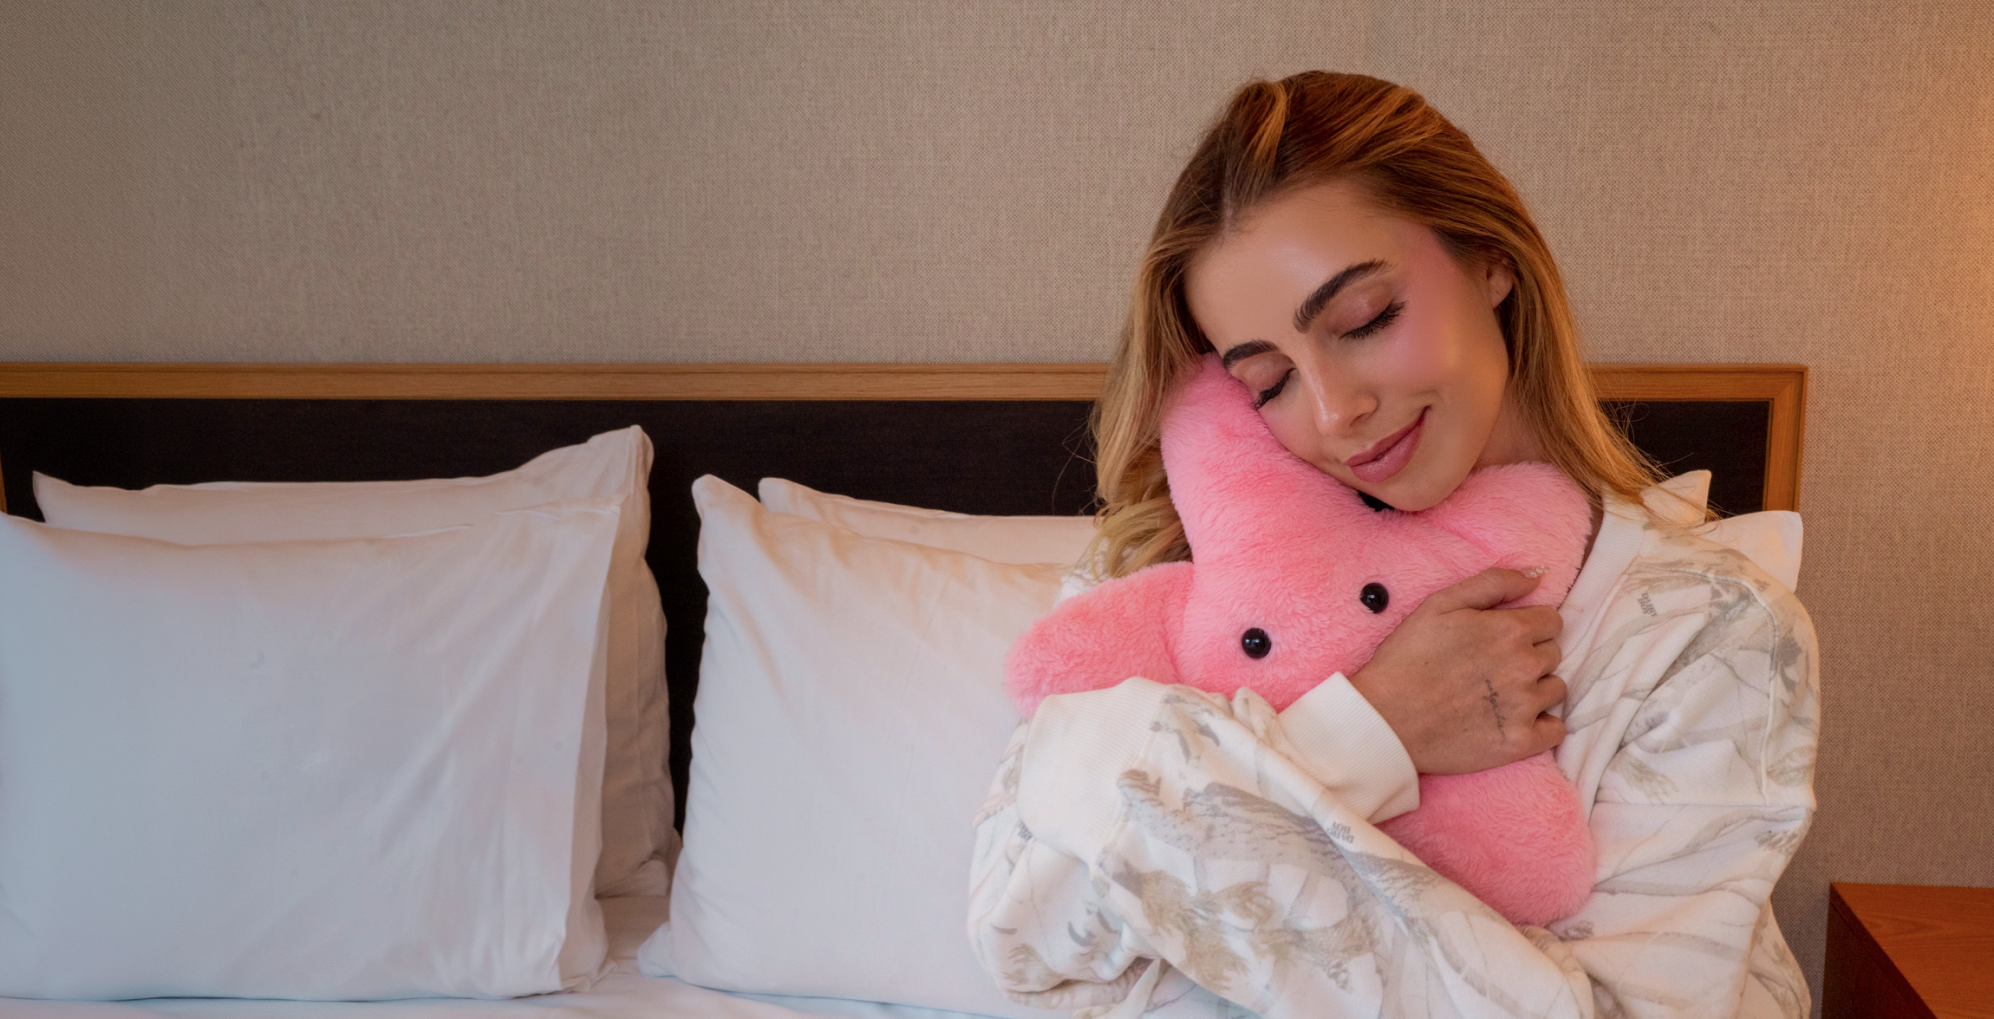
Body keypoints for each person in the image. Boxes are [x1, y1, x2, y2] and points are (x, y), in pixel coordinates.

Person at [967, 71, 1818, 1018]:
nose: (1337, 411)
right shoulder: (1158, 574)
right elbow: (1023, 931)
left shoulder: (1706, 630)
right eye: (1269, 382)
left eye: (1365, 320)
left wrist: (1195, 824)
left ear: (1490, 259)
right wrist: (1363, 734)